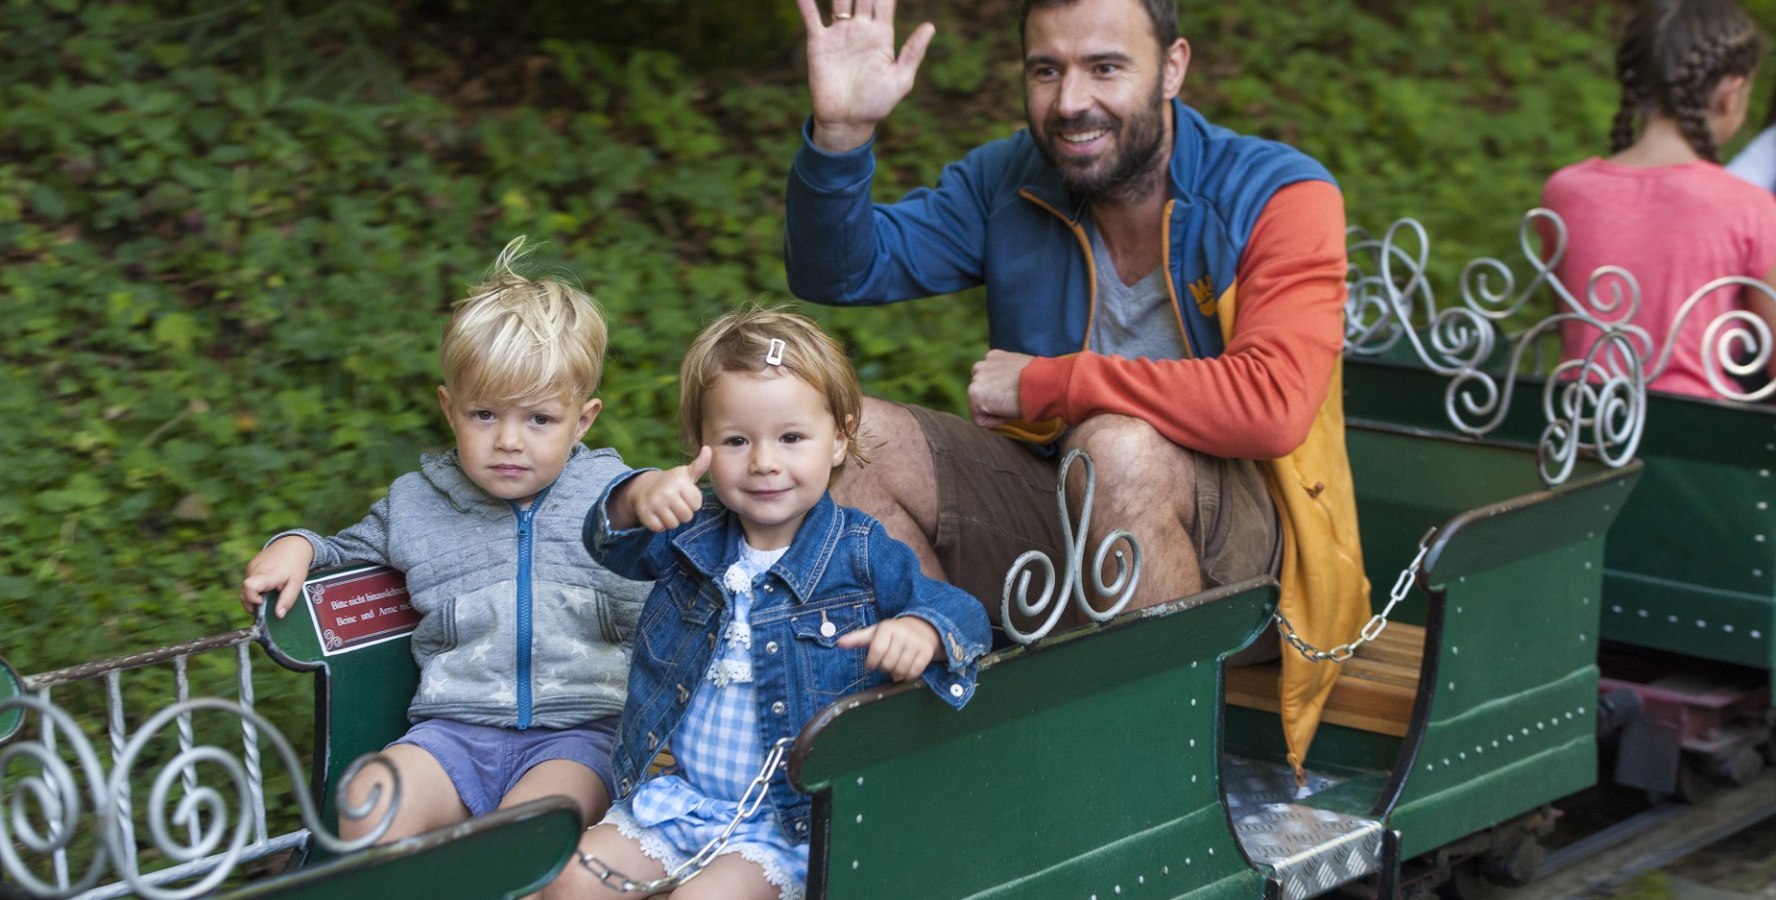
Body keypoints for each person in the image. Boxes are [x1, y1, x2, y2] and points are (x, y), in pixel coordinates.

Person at [781, 0, 1367, 773]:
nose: (1070, 102)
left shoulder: (1277, 195)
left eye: (1105, 67)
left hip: (1254, 560)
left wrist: (1052, 385)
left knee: (1117, 449)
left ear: (1174, 67)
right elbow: (841, 269)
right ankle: (946, 739)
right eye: (1046, 71)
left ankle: (1150, 780)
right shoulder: (1011, 180)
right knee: (857, 444)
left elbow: (1274, 406)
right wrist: (843, 137)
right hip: (1062, 507)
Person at [543, 308, 990, 900]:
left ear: (840, 439)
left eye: (791, 437)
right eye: (735, 440)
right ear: (700, 445)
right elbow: (611, 542)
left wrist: (921, 629)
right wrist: (635, 494)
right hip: (680, 798)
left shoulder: (859, 553)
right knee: (567, 883)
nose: (764, 462)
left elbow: (964, 614)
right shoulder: (690, 535)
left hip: (782, 823)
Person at [238, 237, 647, 843]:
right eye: (485, 416)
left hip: (582, 735)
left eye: (539, 419)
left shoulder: (616, 499)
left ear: (582, 420)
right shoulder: (417, 503)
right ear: (449, 409)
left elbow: (679, 589)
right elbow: (346, 549)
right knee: (368, 800)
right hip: (453, 732)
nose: (509, 441)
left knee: (530, 827)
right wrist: (296, 545)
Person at [1545, 0, 1776, 399]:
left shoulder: (1565, 191)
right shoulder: (1747, 206)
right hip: (1695, 440)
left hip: (1579, 429)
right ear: (1731, 92)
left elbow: (1569, 322)